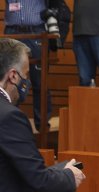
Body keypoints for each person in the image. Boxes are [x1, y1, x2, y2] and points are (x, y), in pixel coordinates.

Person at [0, 38, 86, 192]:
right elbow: (37, 179)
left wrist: (57, 169)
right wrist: (69, 176)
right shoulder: (10, 117)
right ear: (13, 76)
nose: (28, 81)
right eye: (27, 73)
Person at [4, 0, 53, 130]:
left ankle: (42, 125)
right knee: (8, 80)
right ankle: (9, 122)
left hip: (36, 33)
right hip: (12, 32)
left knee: (40, 82)